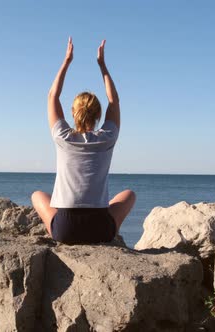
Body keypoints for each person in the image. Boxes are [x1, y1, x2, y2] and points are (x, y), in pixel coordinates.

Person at [31, 37, 135, 244]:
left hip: (66, 231)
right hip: (100, 230)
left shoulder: (62, 136)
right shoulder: (107, 137)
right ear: (98, 115)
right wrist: (102, 65)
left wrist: (66, 61)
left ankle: (53, 231)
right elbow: (114, 101)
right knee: (129, 195)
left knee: (37, 195)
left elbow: (52, 96)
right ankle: (114, 234)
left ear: (72, 112)